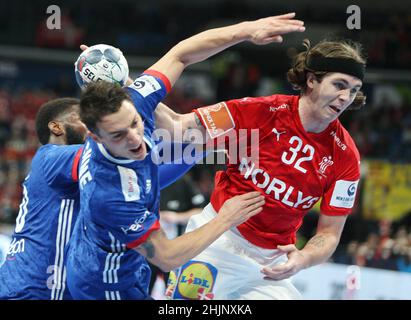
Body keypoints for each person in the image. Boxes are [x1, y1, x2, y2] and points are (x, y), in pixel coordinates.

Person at [65, 13, 305, 300]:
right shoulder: (110, 193)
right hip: (104, 284)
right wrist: (225, 218)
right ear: (94, 137)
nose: (135, 137)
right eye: (119, 135)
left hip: (132, 269)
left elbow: (181, 54)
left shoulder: (134, 104)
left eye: (135, 124)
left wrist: (246, 30)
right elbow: (166, 257)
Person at [162, 38, 367, 299]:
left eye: (353, 89)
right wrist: (126, 87)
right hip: (216, 241)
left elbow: (329, 233)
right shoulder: (258, 111)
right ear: (312, 80)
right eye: (339, 85)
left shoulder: (346, 156)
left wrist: (304, 258)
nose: (345, 97)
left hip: (270, 266)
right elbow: (177, 126)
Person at [0, 98, 216, 300]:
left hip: (58, 287)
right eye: (82, 118)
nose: (92, 125)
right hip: (34, 288)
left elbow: (153, 175)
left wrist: (201, 147)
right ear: (56, 127)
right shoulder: (51, 156)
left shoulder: (95, 172)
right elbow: (139, 157)